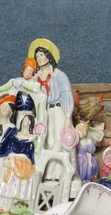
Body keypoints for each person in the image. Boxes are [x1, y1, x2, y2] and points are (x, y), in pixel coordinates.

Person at [29, 38, 76, 180]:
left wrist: (67, 116)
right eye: (37, 56)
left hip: (57, 110)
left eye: (42, 54)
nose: (39, 58)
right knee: (47, 141)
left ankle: (51, 171)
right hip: (43, 111)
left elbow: (67, 95)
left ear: (49, 55)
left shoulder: (59, 76)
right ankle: (51, 174)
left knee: (59, 140)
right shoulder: (36, 78)